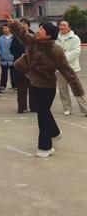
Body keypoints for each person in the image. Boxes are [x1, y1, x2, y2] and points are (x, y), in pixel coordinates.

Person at [6, 15, 84, 158]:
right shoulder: (33, 42)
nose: (38, 31)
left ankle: (45, 147)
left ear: (48, 35)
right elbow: (22, 33)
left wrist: (77, 89)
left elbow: (67, 71)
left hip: (47, 87)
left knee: (42, 115)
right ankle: (55, 132)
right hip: (33, 83)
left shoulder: (56, 51)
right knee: (42, 112)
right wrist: (12, 22)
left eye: (41, 29)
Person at [56, 20, 87, 116]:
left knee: (77, 88)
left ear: (69, 27)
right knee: (63, 90)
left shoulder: (75, 38)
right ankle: (67, 108)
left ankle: (84, 108)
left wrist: (62, 58)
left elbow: (76, 52)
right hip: (59, 69)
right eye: (60, 25)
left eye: (64, 25)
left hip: (72, 68)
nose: (62, 27)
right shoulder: (55, 38)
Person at [11, 18, 37, 113]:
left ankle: (33, 106)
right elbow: (12, 50)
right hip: (20, 65)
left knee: (33, 87)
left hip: (32, 66)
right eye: (21, 23)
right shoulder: (16, 37)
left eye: (25, 24)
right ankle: (22, 107)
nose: (23, 25)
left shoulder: (34, 36)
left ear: (29, 26)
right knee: (21, 88)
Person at [0, 24, 15, 92]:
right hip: (3, 59)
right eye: (3, 28)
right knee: (4, 74)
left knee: (13, 73)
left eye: (6, 28)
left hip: (12, 58)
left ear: (10, 29)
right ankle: (2, 86)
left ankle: (15, 85)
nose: (4, 30)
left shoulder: (14, 37)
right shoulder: (0, 38)